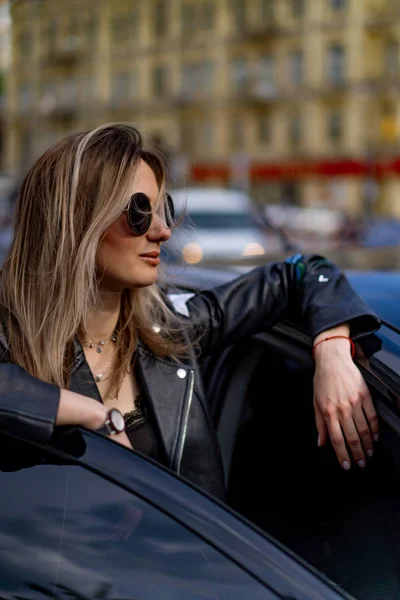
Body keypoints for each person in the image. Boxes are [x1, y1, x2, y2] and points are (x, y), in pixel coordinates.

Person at [0, 123, 380, 502]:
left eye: (162, 210)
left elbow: (302, 272)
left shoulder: (170, 331)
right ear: (76, 221)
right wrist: (88, 414)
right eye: (139, 212)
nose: (163, 232)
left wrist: (331, 348)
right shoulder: (13, 341)